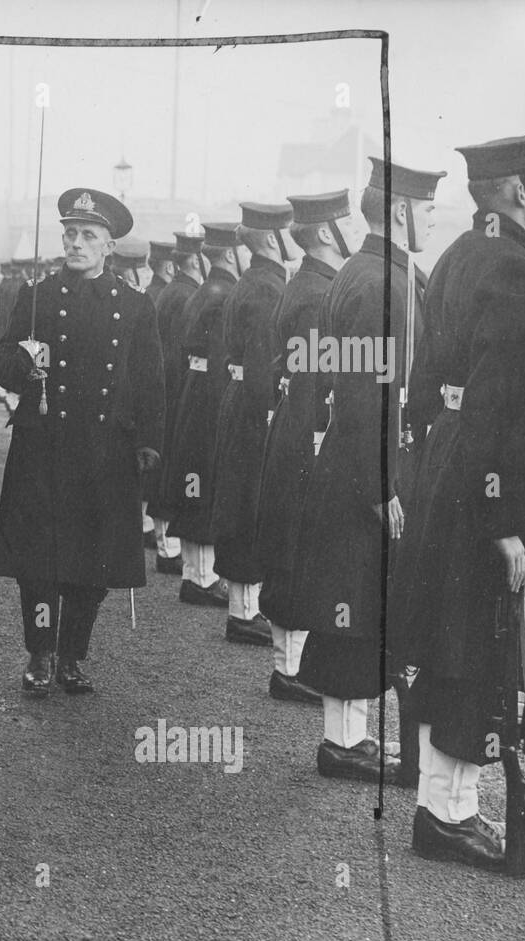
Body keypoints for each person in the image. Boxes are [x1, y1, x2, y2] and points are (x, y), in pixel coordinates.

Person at [396, 133, 525, 869]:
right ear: (519, 188)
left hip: (442, 465)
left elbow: (426, 387)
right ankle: (450, 815)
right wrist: (504, 522)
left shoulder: (455, 254)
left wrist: (438, 467)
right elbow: (501, 408)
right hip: (479, 474)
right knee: (476, 647)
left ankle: (439, 804)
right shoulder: (519, 270)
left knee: (443, 641)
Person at [291, 157, 444, 784]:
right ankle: (342, 742)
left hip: (356, 463)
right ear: (404, 209)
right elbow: (364, 392)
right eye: (429, 208)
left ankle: (347, 738)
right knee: (350, 604)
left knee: (353, 603)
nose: (432, 219)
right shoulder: (383, 283)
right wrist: (381, 485)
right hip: (367, 469)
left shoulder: (366, 271)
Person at [0, 187, 164, 695]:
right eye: (70, 234)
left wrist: (150, 443)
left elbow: (151, 380)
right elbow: (0, 360)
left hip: (105, 450)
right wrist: (23, 364)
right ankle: (40, 653)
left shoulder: (134, 307)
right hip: (43, 444)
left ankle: (72, 656)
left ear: (109, 246)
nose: (76, 243)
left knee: (93, 563)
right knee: (38, 563)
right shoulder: (37, 296)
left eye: (89, 235)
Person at [256, 189, 356, 704]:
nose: (355, 232)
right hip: (307, 434)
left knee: (288, 542)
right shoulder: (319, 295)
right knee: (297, 546)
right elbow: (317, 381)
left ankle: (286, 663)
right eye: (346, 223)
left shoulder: (308, 285)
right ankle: (289, 668)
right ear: (325, 233)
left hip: (292, 427)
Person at [211, 202, 298, 646]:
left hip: (239, 398)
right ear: (271, 240)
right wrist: (271, 413)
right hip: (254, 404)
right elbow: (265, 362)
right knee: (248, 502)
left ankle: (242, 606)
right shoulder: (267, 286)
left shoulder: (254, 280)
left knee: (240, 497)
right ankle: (244, 612)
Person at [163, 222, 247, 608]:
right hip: (209, 396)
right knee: (202, 485)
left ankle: (195, 573)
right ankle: (202, 577)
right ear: (231, 254)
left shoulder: (201, 290)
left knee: (193, 483)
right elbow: (219, 360)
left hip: (192, 394)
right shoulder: (223, 294)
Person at [145, 231, 205, 575]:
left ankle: (166, 544)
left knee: (166, 472)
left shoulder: (173, 292)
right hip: (177, 387)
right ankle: (169, 548)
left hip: (165, 386)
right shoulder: (186, 294)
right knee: (174, 473)